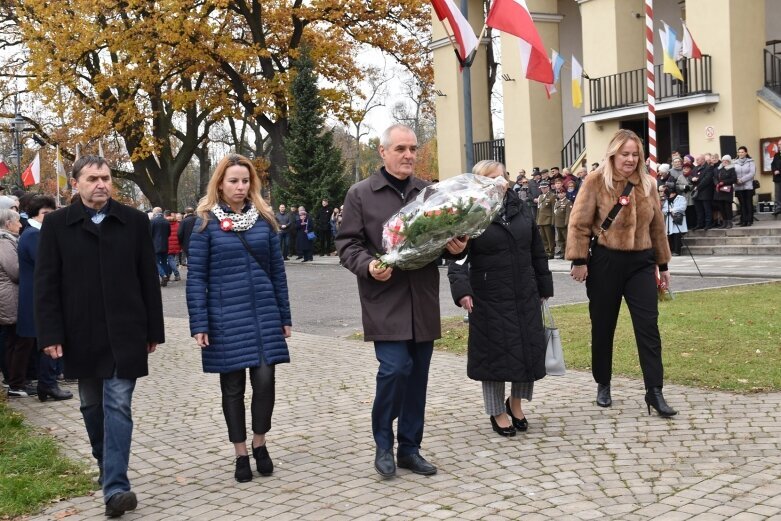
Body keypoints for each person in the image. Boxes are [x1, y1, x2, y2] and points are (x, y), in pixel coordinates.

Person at [336, 123, 468, 478]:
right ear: (383, 152)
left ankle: (409, 448)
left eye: (412, 149)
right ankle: (383, 443)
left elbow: (441, 238)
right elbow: (347, 244)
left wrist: (455, 245)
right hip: (385, 297)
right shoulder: (361, 194)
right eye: (401, 149)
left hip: (421, 298)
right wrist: (368, 265)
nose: (408, 155)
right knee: (395, 370)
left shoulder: (429, 192)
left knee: (418, 377)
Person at [36, 155, 165, 518]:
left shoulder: (134, 222)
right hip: (80, 332)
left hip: (126, 331)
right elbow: (46, 284)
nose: (101, 184)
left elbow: (147, 279)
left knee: (118, 404)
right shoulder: (58, 225)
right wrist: (50, 332)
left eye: (106, 178)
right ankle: (104, 460)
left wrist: (154, 328)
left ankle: (116, 488)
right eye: (92, 178)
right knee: (91, 405)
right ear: (75, 183)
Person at [186, 153, 292, 484]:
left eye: (245, 181)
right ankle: (241, 453)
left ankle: (260, 443)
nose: (240, 187)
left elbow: (277, 272)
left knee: (265, 382)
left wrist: (284, 315)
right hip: (224, 317)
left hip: (263, 314)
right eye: (233, 180)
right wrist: (199, 323)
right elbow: (196, 278)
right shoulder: (204, 222)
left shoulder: (264, 220)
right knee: (232, 388)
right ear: (220, 183)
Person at [566, 129, 677, 418]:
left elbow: (657, 228)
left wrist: (663, 266)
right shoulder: (595, 181)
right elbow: (578, 223)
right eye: (624, 154)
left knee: (648, 327)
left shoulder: (648, 184)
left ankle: (655, 391)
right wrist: (579, 260)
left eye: (634, 154)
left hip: (641, 262)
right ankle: (603, 383)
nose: (630, 159)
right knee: (603, 326)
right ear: (613, 154)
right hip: (606, 261)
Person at [447, 160, 552, 438]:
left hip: (524, 292)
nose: (499, 182)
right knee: (494, 355)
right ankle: (496, 411)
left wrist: (544, 285)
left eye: (502, 176)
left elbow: (536, 250)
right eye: (491, 178)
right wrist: (462, 290)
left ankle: (515, 403)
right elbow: (458, 258)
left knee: (527, 351)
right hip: (489, 295)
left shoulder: (522, 208)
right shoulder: (470, 214)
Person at [16, 195, 72, 401]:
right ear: (34, 215)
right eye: (45, 214)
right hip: (35, 296)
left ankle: (46, 383)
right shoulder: (33, 235)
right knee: (46, 338)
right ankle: (48, 383)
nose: (49, 218)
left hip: (37, 293)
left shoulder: (35, 233)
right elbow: (47, 263)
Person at [0, 208, 33, 397]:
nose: (21, 225)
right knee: (18, 341)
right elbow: (16, 271)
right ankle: (16, 383)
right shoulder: (5, 242)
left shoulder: (8, 240)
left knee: (16, 340)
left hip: (11, 296)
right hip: (10, 297)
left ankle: (16, 381)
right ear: (7, 224)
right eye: (17, 221)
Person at [660, 186, 688, 256]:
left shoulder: (681, 198)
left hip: (678, 219)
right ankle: (671, 250)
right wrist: (668, 211)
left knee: (677, 235)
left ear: (674, 193)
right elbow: (664, 209)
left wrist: (672, 210)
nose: (669, 195)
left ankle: (677, 251)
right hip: (670, 219)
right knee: (670, 235)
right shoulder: (668, 200)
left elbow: (682, 207)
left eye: (670, 194)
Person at [691, 154, 715, 230]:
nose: (696, 161)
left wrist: (698, 187)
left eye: (698, 159)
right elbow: (690, 176)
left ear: (703, 160)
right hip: (697, 193)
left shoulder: (709, 168)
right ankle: (700, 224)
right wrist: (692, 179)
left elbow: (707, 180)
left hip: (705, 192)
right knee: (699, 210)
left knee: (707, 209)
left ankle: (708, 224)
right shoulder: (695, 168)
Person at [733, 146, 756, 227]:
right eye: (739, 152)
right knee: (742, 204)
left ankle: (749, 220)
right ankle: (743, 220)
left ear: (746, 153)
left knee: (748, 203)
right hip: (738, 186)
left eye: (742, 152)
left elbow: (752, 173)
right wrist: (736, 179)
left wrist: (742, 180)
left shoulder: (751, 162)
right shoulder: (734, 162)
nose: (740, 153)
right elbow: (732, 173)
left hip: (748, 186)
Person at [714, 155, 737, 229]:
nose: (725, 162)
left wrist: (724, 182)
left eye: (726, 161)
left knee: (727, 207)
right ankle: (724, 222)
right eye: (723, 161)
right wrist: (717, 183)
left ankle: (729, 222)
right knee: (721, 207)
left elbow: (734, 179)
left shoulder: (731, 169)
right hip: (720, 191)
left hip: (727, 190)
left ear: (729, 162)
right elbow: (715, 177)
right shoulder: (719, 169)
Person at [150, 207, 171, 286]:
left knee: (156, 262)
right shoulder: (166, 221)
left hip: (155, 245)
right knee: (164, 262)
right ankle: (165, 277)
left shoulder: (152, 221)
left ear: (155, 212)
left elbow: (150, 233)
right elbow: (169, 233)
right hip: (165, 244)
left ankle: (163, 275)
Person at [535, 181, 555, 259]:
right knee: (543, 237)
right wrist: (537, 220)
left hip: (548, 219)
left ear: (547, 188)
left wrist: (553, 221)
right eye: (541, 188)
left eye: (544, 188)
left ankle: (551, 252)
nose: (542, 189)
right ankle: (546, 251)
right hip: (541, 219)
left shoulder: (552, 196)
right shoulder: (540, 197)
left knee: (550, 237)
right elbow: (538, 210)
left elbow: (554, 210)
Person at [553, 189, 573, 259]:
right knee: (560, 240)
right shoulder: (557, 202)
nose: (560, 194)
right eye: (558, 193)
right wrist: (554, 222)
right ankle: (562, 253)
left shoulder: (568, 202)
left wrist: (567, 223)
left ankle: (568, 254)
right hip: (558, 224)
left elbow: (568, 214)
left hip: (564, 224)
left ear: (565, 193)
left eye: (562, 193)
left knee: (567, 240)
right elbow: (555, 214)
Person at [164, 210, 181, 281]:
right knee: (171, 259)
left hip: (168, 244)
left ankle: (177, 274)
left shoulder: (165, 223)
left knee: (170, 260)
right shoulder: (177, 223)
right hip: (176, 244)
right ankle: (168, 274)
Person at [772, 140, 781, 216]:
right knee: (777, 194)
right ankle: (778, 208)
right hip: (777, 178)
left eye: (780, 144)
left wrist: (779, 171)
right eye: (778, 144)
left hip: (779, 174)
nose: (779, 146)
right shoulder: (776, 155)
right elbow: (773, 164)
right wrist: (775, 170)